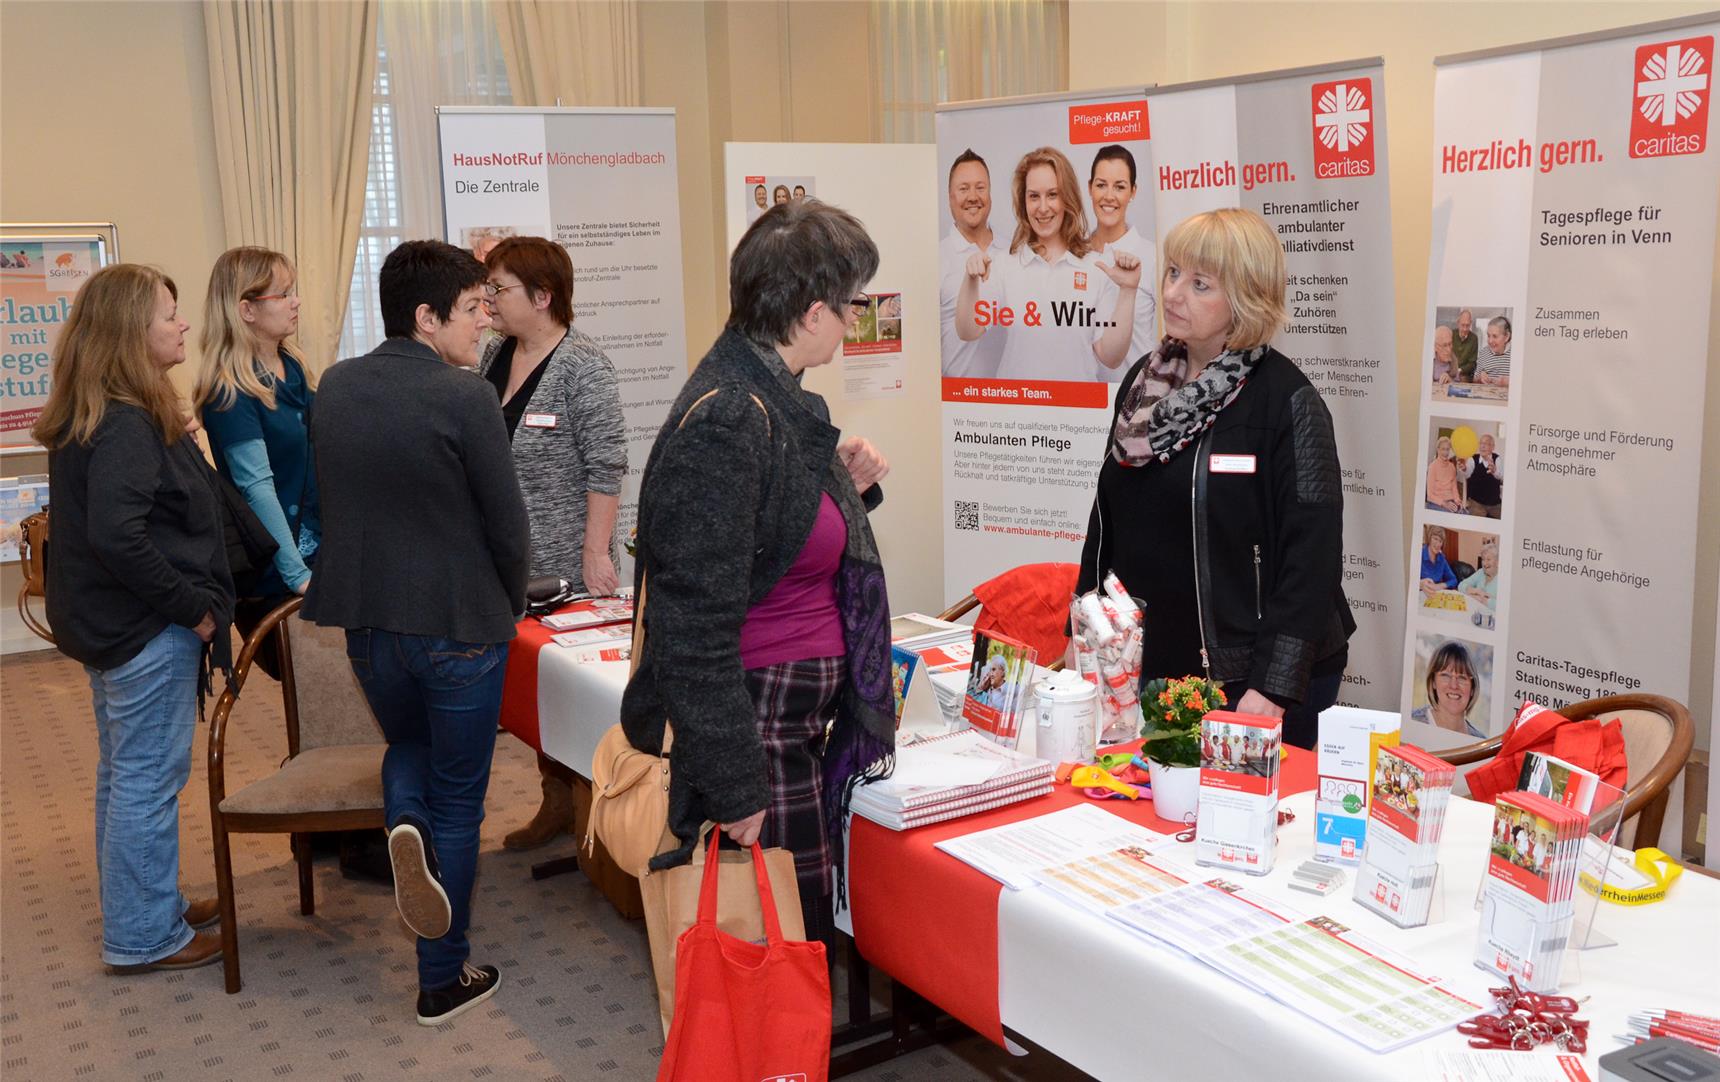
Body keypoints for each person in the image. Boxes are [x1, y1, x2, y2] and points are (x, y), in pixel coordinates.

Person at [620, 199, 895, 952]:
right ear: (812, 313)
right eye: (850, 306)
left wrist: (844, 487)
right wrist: (735, 782)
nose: (852, 321)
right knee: (778, 936)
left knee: (795, 926)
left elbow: (769, 532)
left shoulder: (770, 391)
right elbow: (693, 623)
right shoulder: (732, 415)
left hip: (788, 717)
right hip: (759, 722)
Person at [304, 240, 530, 1026]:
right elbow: (509, 526)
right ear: (426, 317)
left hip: (368, 626)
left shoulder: (333, 387)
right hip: (460, 627)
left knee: (409, 751)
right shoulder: (464, 397)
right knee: (462, 801)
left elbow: (330, 499)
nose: (485, 326)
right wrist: (510, 606)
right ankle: (442, 978)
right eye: (473, 311)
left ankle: (405, 823)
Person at [1076, 208, 1352, 750]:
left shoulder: (1288, 402)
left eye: (1200, 284)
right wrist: (1084, 627)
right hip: (1147, 662)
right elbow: (1106, 518)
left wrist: (1272, 686)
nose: (1174, 293)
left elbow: (1312, 561)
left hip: (1248, 678)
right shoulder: (1143, 385)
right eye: (1174, 272)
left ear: (1246, 299)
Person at [35, 264, 234, 973]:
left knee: (126, 776)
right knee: (147, 779)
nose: (182, 325)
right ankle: (144, 939)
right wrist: (195, 612)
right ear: (130, 333)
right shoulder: (123, 423)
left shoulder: (105, 410)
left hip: (113, 625)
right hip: (145, 628)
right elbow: (121, 538)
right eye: (169, 314)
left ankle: (145, 910)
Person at [477, 236, 628, 851]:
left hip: (567, 561)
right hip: (505, 559)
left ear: (542, 298)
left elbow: (606, 466)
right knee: (531, 683)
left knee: (571, 687)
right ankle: (556, 798)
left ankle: (589, 805)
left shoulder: (583, 365)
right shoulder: (492, 353)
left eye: (500, 289)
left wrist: (596, 553)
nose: (488, 300)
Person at [195, 247, 320, 637]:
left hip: (321, 550)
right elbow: (257, 487)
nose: (295, 302)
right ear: (246, 310)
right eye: (283, 295)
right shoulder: (228, 389)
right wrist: (298, 575)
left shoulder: (294, 365)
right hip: (279, 568)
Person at [956, 147, 1141, 382]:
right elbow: (968, 331)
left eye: (1052, 194)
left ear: (1067, 197)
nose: (1043, 208)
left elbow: (1110, 356)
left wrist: (1128, 291)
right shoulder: (1005, 264)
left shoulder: (1096, 267)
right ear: (1023, 202)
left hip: (1076, 413)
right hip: (1018, 413)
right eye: (1034, 196)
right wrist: (970, 280)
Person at [1085, 144, 1157, 380]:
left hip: (1134, 404)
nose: (1108, 196)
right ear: (1090, 188)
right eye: (1101, 185)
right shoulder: (1073, 255)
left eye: (1119, 187)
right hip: (1080, 404)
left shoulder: (1152, 257)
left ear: (1133, 192)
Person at [939, 149, 1008, 379]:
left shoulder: (1015, 253)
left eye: (980, 188)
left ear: (990, 194)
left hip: (1014, 402)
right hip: (956, 403)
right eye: (963, 188)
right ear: (950, 197)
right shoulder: (936, 259)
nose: (972, 197)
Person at [1410, 640, 1484, 737]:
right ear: (1433, 682)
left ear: (1472, 688)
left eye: (1462, 678)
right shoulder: (1410, 722)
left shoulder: (1481, 743)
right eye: (1445, 676)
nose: (1454, 685)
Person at [1460, 431, 1503, 518]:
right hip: (1476, 503)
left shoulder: (1497, 459)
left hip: (1495, 504)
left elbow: (1501, 476)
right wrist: (1464, 469)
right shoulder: (1473, 459)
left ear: (1492, 447)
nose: (1482, 446)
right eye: (1481, 443)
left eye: (1486, 443)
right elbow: (1467, 474)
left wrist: (1494, 471)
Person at [1425, 435, 1465, 513]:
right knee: (1451, 517)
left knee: (1464, 514)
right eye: (1443, 449)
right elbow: (1429, 495)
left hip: (1450, 500)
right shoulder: (1432, 467)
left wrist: (1457, 500)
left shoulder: (1452, 466)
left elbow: (1454, 488)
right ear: (1438, 450)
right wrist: (1444, 503)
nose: (1445, 452)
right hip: (1436, 502)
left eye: (1447, 449)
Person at [1458, 539, 1500, 611]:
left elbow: (1503, 606)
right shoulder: (1480, 572)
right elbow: (1461, 585)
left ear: (1497, 561)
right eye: (1483, 559)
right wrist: (1476, 591)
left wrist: (1481, 600)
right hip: (1475, 612)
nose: (1484, 563)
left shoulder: (1503, 578)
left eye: (1488, 559)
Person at [1418, 524, 1458, 596]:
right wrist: (1420, 584)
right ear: (1429, 539)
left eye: (1441, 541)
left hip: (1435, 596)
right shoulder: (1419, 554)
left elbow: (1454, 580)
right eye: (1435, 539)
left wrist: (1439, 586)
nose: (1438, 544)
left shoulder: (1442, 559)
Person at [1475, 315, 1511, 385]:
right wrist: (1480, 378)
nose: (1490, 341)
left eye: (1495, 336)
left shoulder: (1516, 354)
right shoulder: (1483, 352)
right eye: (1488, 336)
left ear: (1506, 336)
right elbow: (1474, 380)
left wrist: (1509, 382)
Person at [1451, 309, 1478, 381]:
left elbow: (1472, 363)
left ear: (1471, 323)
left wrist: (1459, 370)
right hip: (1450, 372)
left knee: (1463, 379)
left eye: (1467, 325)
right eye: (1463, 325)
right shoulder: (1451, 334)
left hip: (1465, 374)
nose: (1465, 329)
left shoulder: (1474, 338)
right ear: (1458, 323)